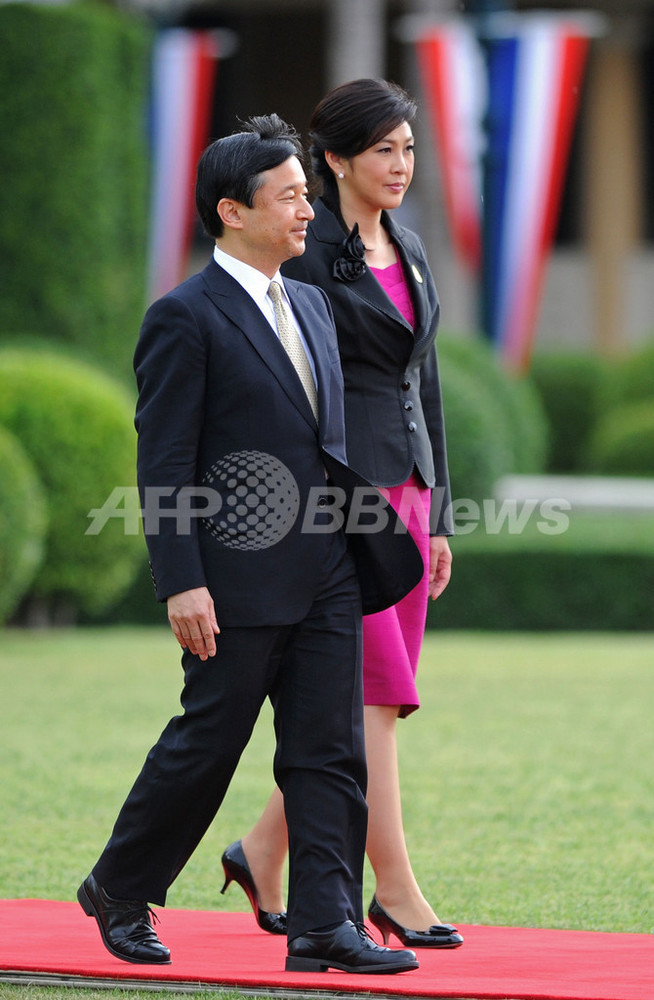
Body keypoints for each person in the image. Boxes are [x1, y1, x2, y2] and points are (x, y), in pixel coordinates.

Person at [77, 113, 425, 974]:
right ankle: (120, 889)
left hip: (327, 570)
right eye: (291, 197)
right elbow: (162, 461)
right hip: (231, 582)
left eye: (309, 194)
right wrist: (181, 581)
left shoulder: (310, 302)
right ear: (233, 212)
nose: (309, 211)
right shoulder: (182, 318)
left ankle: (323, 925)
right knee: (207, 746)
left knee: (330, 750)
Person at [221, 80, 462, 950]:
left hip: (408, 494)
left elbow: (422, 382)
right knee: (373, 698)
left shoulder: (412, 243)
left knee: (368, 703)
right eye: (382, 151)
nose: (400, 167)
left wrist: (439, 513)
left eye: (408, 150)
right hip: (342, 499)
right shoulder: (308, 247)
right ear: (334, 160)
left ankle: (257, 850)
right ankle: (393, 890)